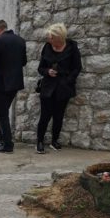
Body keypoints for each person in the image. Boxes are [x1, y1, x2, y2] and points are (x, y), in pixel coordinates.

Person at [35, 23, 82, 154]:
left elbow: (77, 68)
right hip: (47, 87)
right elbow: (40, 68)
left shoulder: (72, 47)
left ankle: (54, 140)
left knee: (58, 116)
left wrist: (68, 81)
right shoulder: (47, 47)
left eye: (51, 38)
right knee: (44, 116)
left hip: (64, 87)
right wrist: (47, 71)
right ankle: (39, 141)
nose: (48, 40)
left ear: (58, 37)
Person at [0, 19, 27, 153]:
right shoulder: (20, 40)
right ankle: (0, 137)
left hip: (0, 84)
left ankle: (8, 144)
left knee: (2, 114)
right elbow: (24, 62)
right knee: (4, 111)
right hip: (15, 83)